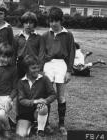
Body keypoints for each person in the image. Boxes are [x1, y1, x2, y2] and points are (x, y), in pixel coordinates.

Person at [42, 7, 76, 135]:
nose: (53, 24)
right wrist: (42, 67)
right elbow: (42, 53)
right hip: (48, 65)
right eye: (51, 21)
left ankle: (61, 124)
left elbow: (71, 53)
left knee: (61, 96)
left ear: (61, 21)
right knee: (47, 95)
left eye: (56, 21)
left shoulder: (68, 35)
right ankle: (46, 124)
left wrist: (69, 71)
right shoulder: (45, 35)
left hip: (61, 65)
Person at [16, 55, 56, 138]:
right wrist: (35, 101)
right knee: (21, 134)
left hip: (39, 110)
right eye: (33, 68)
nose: (37, 70)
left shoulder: (44, 79)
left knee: (43, 107)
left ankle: (40, 129)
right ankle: (34, 125)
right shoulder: (21, 82)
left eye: (38, 67)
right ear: (26, 69)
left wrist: (46, 101)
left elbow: (53, 94)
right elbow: (21, 100)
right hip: (25, 113)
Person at [14, 11, 45, 79]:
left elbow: (41, 54)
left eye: (30, 23)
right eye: (26, 22)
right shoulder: (17, 37)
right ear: (23, 23)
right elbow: (14, 53)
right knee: (21, 84)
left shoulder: (39, 37)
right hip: (20, 65)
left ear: (34, 24)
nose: (28, 25)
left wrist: (40, 67)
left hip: (34, 65)